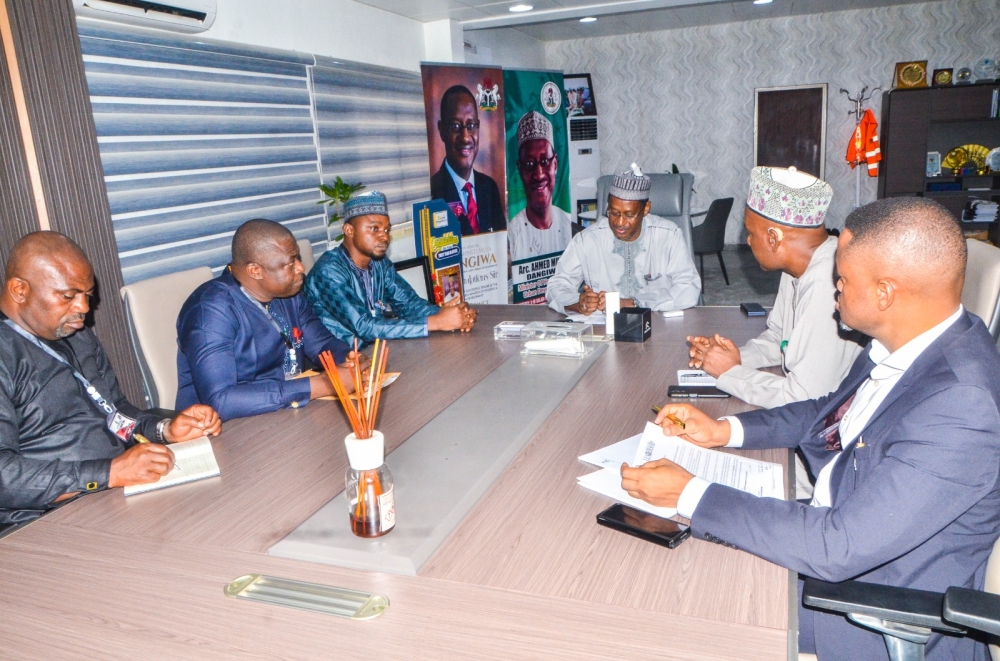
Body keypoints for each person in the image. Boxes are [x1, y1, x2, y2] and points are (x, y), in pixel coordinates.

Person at [622, 197, 1000, 661]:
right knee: (657, 548)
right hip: (834, 532)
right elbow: (827, 412)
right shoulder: (907, 342)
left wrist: (689, 493)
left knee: (658, 609)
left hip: (861, 606)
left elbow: (836, 546)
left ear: (885, 292)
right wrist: (726, 430)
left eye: (842, 279)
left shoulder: (963, 406)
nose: (834, 289)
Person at [0, 232, 222, 528]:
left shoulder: (74, 333)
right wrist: (108, 473)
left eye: (87, 295)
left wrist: (164, 429)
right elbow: (5, 475)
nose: (83, 308)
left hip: (114, 495)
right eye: (68, 296)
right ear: (19, 290)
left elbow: (113, 410)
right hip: (45, 520)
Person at [688, 166, 863, 408]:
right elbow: (780, 340)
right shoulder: (798, 265)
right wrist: (734, 358)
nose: (747, 241)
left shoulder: (829, 283)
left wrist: (731, 373)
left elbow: (805, 398)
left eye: (750, 233)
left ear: (774, 238)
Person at [176, 219, 367, 422]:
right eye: (291, 262)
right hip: (223, 431)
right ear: (255, 271)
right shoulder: (210, 311)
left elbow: (321, 343)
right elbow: (221, 401)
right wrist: (326, 384)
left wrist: (350, 360)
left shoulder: (289, 294)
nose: (301, 268)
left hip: (287, 413)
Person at [306, 191, 477, 346]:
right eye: (375, 228)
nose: (384, 236)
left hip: (378, 352)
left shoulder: (379, 263)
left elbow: (408, 304)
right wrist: (437, 322)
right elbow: (364, 327)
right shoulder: (328, 271)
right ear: (349, 230)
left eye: (387, 229)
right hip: (340, 364)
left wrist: (452, 315)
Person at [545, 164, 701, 314]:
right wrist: (578, 303)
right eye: (614, 213)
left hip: (658, 321)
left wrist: (632, 302)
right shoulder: (587, 240)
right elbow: (557, 286)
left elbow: (689, 287)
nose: (619, 223)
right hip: (605, 328)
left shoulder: (669, 235)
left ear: (646, 209)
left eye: (629, 215)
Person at [429, 85, 506, 236]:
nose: (465, 137)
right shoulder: (433, 192)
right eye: (455, 126)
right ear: (441, 130)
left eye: (471, 126)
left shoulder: (489, 187)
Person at [508, 111, 573, 262]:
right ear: (520, 168)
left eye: (544, 161)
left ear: (555, 164)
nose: (538, 174)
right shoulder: (513, 233)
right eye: (529, 164)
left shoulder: (567, 224)